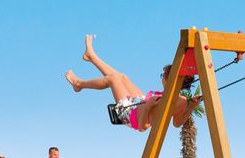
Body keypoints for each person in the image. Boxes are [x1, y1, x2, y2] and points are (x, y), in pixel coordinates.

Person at [65, 35, 201, 132]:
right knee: (123, 77)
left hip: (129, 113)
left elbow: (143, 128)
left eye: (162, 76)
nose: (161, 79)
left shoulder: (164, 102)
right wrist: (191, 107)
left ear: (169, 79)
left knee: (113, 79)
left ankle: (78, 84)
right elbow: (177, 123)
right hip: (140, 102)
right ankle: (91, 56)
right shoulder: (182, 101)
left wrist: (148, 107)